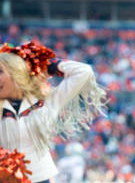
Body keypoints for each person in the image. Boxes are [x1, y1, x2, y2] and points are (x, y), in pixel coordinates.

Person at [0, 42, 107, 183]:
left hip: (40, 178)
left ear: (16, 73)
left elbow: (84, 72)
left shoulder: (46, 102)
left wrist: (47, 65)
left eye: (0, 72)